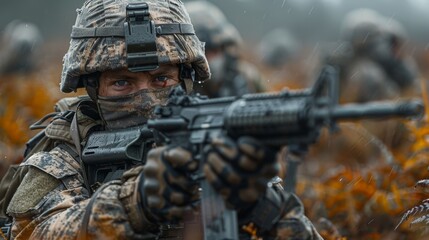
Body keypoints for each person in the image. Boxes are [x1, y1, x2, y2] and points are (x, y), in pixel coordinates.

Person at [0, 0, 322, 239]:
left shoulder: (212, 144)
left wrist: (264, 208)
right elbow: (32, 231)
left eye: (161, 80)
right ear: (94, 89)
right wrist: (136, 202)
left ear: (183, 80)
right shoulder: (64, 154)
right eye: (122, 82)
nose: (145, 100)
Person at [185, 1, 266, 98]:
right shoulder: (175, 85)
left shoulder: (247, 78)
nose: (211, 59)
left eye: (215, 51)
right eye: (204, 52)